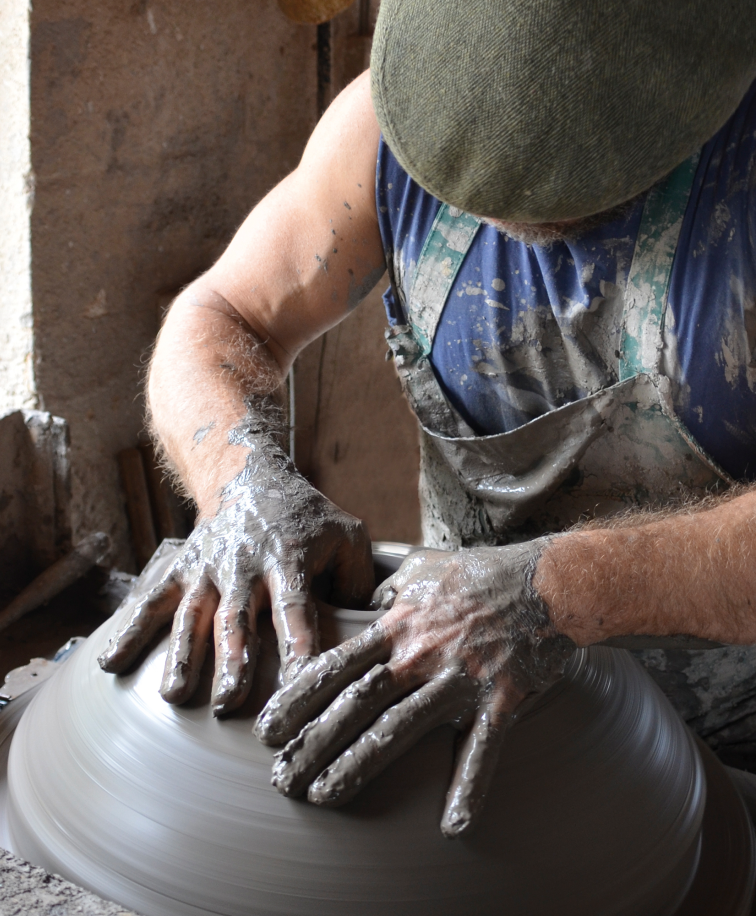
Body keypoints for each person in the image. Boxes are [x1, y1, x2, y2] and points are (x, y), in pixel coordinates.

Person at [100, 0, 756, 837]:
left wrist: (553, 590)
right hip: (452, 683)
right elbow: (223, 314)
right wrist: (239, 482)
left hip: (728, 734)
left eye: (554, 154)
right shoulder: (386, 132)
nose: (501, 200)